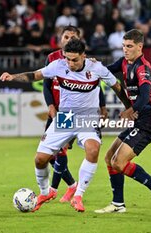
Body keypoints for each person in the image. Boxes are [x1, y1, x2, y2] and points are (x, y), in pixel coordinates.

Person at [0, 39, 132, 212]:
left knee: (92, 150)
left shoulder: (96, 68)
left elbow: (116, 86)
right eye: (67, 59)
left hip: (87, 119)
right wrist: (13, 77)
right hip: (66, 118)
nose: (70, 63)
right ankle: (45, 192)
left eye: (74, 60)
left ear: (84, 56)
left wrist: (129, 107)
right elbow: (35, 75)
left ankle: (78, 195)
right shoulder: (58, 66)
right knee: (40, 159)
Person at [94, 29, 151, 214]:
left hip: (148, 123)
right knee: (109, 158)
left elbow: (143, 98)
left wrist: (130, 110)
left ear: (140, 47)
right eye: (123, 46)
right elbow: (107, 70)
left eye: (129, 46)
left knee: (118, 162)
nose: (125, 50)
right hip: (138, 121)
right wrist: (94, 66)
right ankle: (118, 204)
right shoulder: (125, 62)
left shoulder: (143, 68)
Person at [39, 25, 107, 210]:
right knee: (51, 155)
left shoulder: (87, 62)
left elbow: (96, 86)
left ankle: (63, 189)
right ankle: (70, 186)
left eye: (73, 37)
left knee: (62, 152)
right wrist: (51, 106)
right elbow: (46, 85)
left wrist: (102, 106)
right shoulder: (53, 58)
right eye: (66, 37)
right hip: (59, 111)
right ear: (60, 39)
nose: (69, 40)